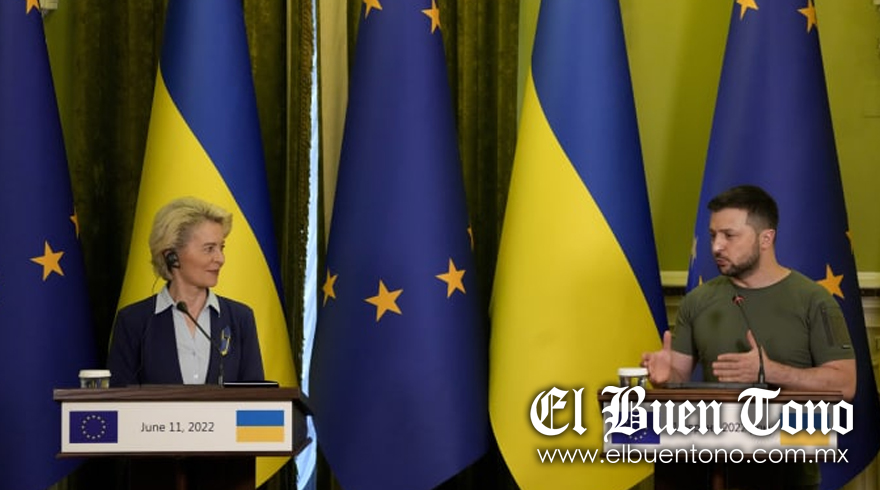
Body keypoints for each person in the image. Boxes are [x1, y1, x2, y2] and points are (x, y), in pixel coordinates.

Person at [641, 185, 856, 490]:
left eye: (729, 236)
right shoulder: (698, 300)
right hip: (707, 468)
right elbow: (679, 378)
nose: (716, 247)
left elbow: (845, 385)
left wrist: (771, 371)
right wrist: (665, 378)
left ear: (765, 238)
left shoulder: (814, 300)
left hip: (787, 471)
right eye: (713, 235)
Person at [108, 197, 264, 387]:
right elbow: (120, 397)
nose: (220, 259)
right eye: (209, 249)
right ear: (172, 256)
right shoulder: (133, 321)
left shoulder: (240, 318)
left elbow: (256, 395)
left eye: (221, 248)